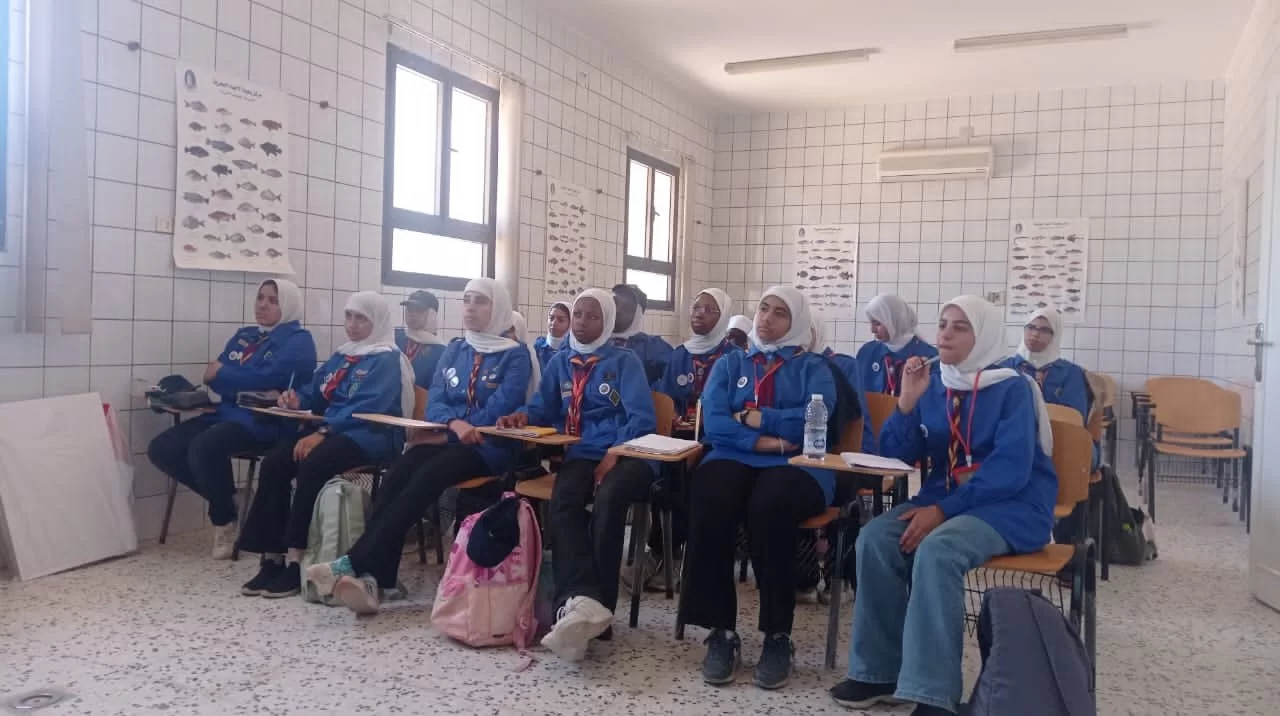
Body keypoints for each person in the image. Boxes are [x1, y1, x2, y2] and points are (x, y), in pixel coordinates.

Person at [829, 295, 1057, 716]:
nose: (946, 334)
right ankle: (879, 672)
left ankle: (934, 694)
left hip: (1011, 507)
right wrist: (905, 403)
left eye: (960, 327)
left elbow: (1010, 471)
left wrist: (944, 511)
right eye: (942, 324)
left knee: (938, 549)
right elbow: (897, 457)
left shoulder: (1013, 388)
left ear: (983, 336)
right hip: (946, 501)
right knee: (875, 538)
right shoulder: (936, 384)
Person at [303, 279, 533, 613]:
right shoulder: (456, 348)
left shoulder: (515, 355)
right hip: (447, 437)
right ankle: (379, 579)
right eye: (466, 299)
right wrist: (453, 425)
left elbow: (498, 409)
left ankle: (353, 563)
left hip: (487, 448)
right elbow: (436, 401)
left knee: (427, 478)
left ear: (498, 308)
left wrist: (453, 429)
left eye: (480, 301)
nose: (470, 307)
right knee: (398, 474)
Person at [682, 286, 838, 690]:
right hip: (737, 454)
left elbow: (814, 419)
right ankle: (721, 630)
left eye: (780, 313)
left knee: (770, 505)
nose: (766, 318)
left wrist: (756, 418)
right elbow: (715, 422)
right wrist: (766, 441)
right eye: (763, 308)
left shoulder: (813, 367)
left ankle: (777, 635)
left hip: (799, 464)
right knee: (710, 495)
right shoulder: (732, 362)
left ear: (797, 322)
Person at [496, 288, 658, 662]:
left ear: (608, 321)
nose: (582, 323)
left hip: (629, 452)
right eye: (579, 314)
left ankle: (602, 609)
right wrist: (523, 416)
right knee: (564, 500)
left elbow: (642, 419)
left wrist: (614, 454)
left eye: (593, 316)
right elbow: (543, 407)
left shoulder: (624, 361)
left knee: (608, 500)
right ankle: (578, 601)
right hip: (582, 451)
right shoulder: (561, 361)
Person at [237, 291, 415, 599]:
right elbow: (318, 390)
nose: (353, 324)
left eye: (361, 319)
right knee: (276, 462)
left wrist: (324, 431)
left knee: (313, 463)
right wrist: (296, 399)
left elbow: (367, 407)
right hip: (334, 432)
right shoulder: (345, 354)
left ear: (377, 322)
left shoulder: (387, 358)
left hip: (370, 436)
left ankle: (296, 559)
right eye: (349, 316)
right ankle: (272, 556)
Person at [147, 279, 317, 559]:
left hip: (264, 421)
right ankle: (229, 499)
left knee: (205, 446)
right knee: (162, 448)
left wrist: (225, 374)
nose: (262, 305)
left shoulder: (299, 341)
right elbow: (215, 382)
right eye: (260, 297)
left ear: (288, 306)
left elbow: (267, 378)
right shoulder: (245, 335)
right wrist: (233, 380)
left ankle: (223, 520)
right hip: (226, 412)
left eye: (273, 300)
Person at [627, 288, 737, 593]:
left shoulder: (734, 358)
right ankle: (663, 551)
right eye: (695, 307)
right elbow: (665, 396)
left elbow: (737, 404)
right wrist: (675, 415)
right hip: (679, 437)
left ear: (723, 317)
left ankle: (674, 556)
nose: (698, 314)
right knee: (664, 472)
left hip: (717, 439)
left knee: (693, 477)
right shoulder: (681, 354)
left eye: (708, 309)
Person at [855, 294, 937, 452]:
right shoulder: (867, 352)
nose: (872, 330)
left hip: (909, 441)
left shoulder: (928, 357)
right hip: (870, 439)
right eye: (871, 323)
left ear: (895, 321)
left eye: (878, 323)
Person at [1002, 307, 1091, 421]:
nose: (1035, 334)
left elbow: (1074, 417)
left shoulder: (1070, 373)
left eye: (1044, 330)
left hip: (1057, 431)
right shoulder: (1006, 368)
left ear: (1055, 335)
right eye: (1031, 327)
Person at [611, 283, 673, 386]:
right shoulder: (597, 341)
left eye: (626, 308)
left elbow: (674, 378)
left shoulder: (653, 347)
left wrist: (648, 393)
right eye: (614, 304)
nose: (617, 311)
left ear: (637, 314)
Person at [395, 289, 447, 390]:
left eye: (419, 310)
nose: (412, 314)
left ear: (431, 315)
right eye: (409, 309)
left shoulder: (441, 351)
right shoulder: (396, 339)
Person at [533, 300, 571, 370]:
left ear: (570, 324)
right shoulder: (538, 346)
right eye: (551, 318)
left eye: (561, 320)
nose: (553, 323)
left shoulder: (573, 351)